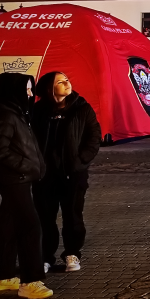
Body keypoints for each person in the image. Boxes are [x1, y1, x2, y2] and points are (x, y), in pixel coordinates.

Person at [0, 73, 52, 299]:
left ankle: (1, 276)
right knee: (30, 227)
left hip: (20, 177)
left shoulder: (15, 112)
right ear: (14, 91)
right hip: (15, 178)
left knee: (8, 224)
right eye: (27, 90)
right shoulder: (4, 114)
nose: (31, 94)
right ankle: (31, 281)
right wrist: (24, 166)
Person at [31, 71, 101, 274]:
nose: (66, 83)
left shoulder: (82, 109)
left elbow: (93, 137)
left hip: (73, 173)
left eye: (67, 80)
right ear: (49, 88)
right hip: (45, 175)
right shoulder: (38, 111)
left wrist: (81, 161)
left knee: (73, 216)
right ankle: (45, 257)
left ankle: (72, 253)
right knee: (45, 217)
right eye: (60, 82)